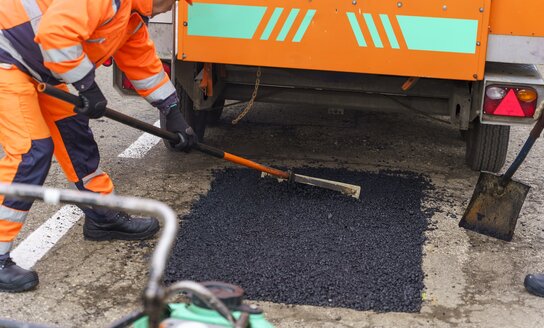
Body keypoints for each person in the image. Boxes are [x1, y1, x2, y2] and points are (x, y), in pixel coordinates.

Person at [0, 0, 196, 292]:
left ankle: (102, 216)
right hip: (7, 58)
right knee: (31, 151)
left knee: (75, 136)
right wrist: (87, 86)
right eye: (173, 1)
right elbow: (56, 35)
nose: (171, 9)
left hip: (42, 67)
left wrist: (172, 112)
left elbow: (142, 64)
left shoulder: (131, 16)